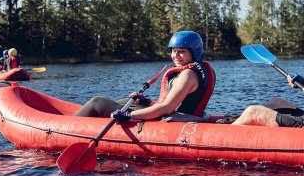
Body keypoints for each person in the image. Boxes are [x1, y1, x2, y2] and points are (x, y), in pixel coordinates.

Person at [74, 31, 216, 122]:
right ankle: (97, 120)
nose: (175, 56)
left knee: (97, 102)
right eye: (173, 51)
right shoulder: (199, 70)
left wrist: (129, 116)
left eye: (182, 52)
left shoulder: (187, 75)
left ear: (194, 52)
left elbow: (166, 108)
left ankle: (68, 125)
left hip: (172, 118)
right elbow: (180, 102)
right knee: (129, 100)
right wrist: (147, 101)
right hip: (183, 114)